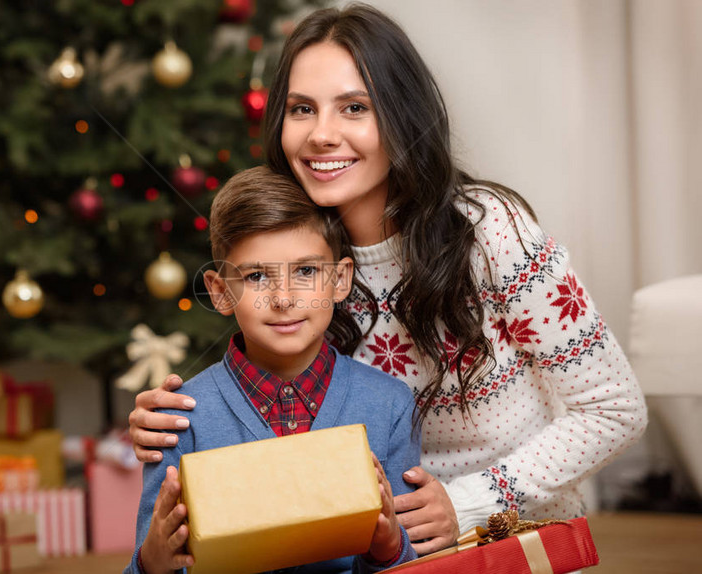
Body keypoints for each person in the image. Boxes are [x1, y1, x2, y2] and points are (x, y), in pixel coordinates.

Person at [129, 2, 648, 555]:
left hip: (511, 544)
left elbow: (615, 409)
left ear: (401, 115)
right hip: (370, 555)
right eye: (301, 109)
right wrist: (174, 420)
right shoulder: (301, 257)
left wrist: (468, 501)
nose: (321, 135)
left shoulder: (492, 230)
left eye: (354, 107)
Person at [126, 166, 420, 574]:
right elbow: (153, 560)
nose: (283, 298)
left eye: (305, 271)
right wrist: (152, 563)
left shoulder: (390, 405)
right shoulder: (179, 419)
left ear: (340, 279)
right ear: (220, 291)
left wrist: (389, 548)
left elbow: (415, 563)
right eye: (257, 276)